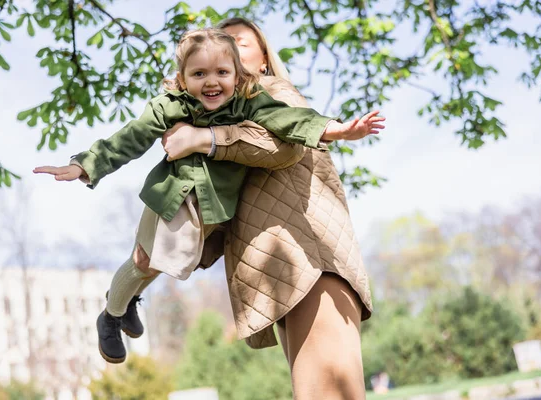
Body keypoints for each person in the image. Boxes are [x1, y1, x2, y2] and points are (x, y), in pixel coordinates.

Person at [33, 27, 383, 365]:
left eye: (221, 71)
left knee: (169, 264)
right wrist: (85, 165)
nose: (211, 81)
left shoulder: (254, 100)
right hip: (175, 194)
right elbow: (131, 136)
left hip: (217, 206)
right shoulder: (170, 105)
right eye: (199, 73)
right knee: (144, 260)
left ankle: (124, 302)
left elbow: (288, 119)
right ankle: (111, 315)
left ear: (242, 70)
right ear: (183, 79)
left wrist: (334, 129)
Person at [160, 18, 380, 399]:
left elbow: (286, 146)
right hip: (279, 272)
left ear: (263, 60)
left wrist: (204, 138)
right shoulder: (226, 115)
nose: (226, 48)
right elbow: (223, 210)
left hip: (312, 258)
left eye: (239, 42)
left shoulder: (273, 90)